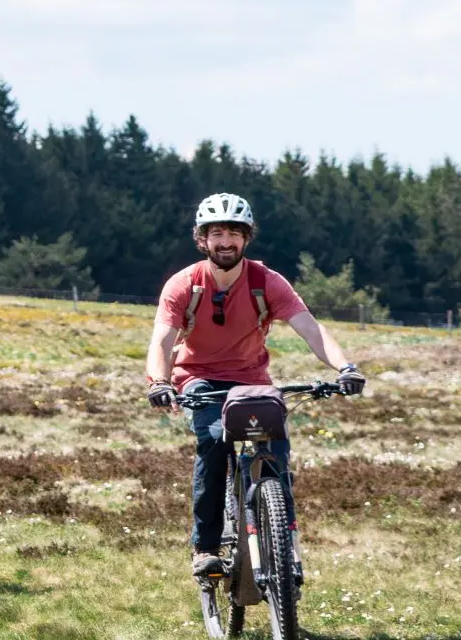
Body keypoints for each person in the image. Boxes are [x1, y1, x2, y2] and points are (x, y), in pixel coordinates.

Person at [144, 193, 366, 579]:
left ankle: (285, 544)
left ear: (247, 238)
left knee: (276, 454)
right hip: (199, 378)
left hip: (252, 381)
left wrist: (346, 367)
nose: (225, 241)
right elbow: (162, 340)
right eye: (216, 233)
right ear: (202, 239)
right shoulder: (184, 285)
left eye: (234, 232)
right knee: (214, 442)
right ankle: (206, 547)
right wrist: (159, 382)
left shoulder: (267, 282)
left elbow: (311, 329)